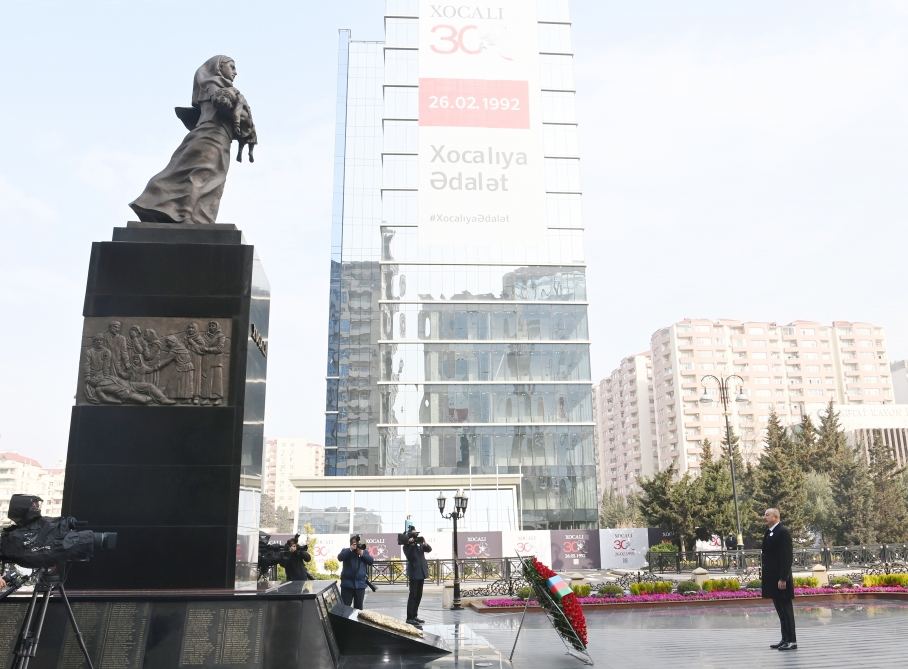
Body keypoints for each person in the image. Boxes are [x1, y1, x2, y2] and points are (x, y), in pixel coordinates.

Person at [130, 55, 255, 225]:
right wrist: (235, 99)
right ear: (219, 68)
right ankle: (185, 215)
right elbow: (222, 103)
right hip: (211, 135)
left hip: (221, 139)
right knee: (200, 174)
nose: (235, 72)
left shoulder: (225, 89)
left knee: (211, 178)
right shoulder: (213, 83)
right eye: (231, 67)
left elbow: (242, 122)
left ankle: (194, 216)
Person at [761, 507, 797, 650]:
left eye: (767, 515)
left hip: (781, 579)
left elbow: (787, 557)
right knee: (781, 611)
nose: (764, 517)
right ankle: (785, 639)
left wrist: (783, 578)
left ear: (775, 517)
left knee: (786, 611)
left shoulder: (783, 532)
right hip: (772, 578)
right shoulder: (769, 532)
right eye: (765, 515)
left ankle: (792, 641)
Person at [401, 526, 432, 628]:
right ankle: (409, 618)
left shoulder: (419, 543)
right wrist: (410, 543)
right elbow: (410, 556)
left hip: (421, 573)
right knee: (413, 595)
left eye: (416, 534)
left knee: (419, 595)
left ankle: (414, 616)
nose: (415, 536)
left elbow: (429, 549)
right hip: (414, 573)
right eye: (414, 534)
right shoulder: (406, 546)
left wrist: (425, 543)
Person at [338, 534, 373, 610]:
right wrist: (350, 549)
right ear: (351, 544)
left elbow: (371, 561)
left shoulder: (364, 552)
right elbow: (340, 558)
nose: (357, 546)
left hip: (360, 585)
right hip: (347, 585)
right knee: (345, 608)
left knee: (358, 609)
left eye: (359, 544)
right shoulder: (346, 551)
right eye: (355, 544)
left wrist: (362, 554)